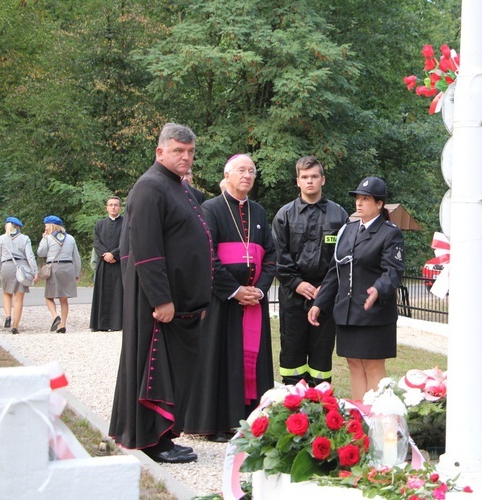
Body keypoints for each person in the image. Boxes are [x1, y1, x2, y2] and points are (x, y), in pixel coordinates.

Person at [108, 123, 214, 464]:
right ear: (160, 152)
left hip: (181, 302)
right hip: (159, 305)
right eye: (178, 151)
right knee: (155, 372)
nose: (185, 157)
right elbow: (146, 249)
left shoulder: (176, 186)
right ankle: (152, 441)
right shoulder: (149, 187)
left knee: (174, 372)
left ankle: (165, 436)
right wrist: (161, 299)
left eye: (190, 152)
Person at [193, 154, 276, 442]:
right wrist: (235, 290)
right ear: (227, 175)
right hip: (224, 301)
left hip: (254, 300)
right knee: (223, 359)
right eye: (241, 170)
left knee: (251, 359)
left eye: (252, 171)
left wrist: (260, 289)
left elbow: (271, 257)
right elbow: (207, 256)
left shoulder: (259, 212)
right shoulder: (210, 209)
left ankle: (254, 419)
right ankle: (220, 422)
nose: (247, 175)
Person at [308, 177, 405, 401]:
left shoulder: (390, 233)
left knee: (372, 365)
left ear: (380, 204)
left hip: (374, 313)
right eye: (358, 198)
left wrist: (378, 290)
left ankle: (379, 420)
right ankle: (359, 417)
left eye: (366, 199)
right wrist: (319, 303)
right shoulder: (348, 230)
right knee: (353, 364)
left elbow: (393, 271)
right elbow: (335, 270)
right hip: (348, 311)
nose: (359, 203)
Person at [272, 155, 349, 386]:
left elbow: (343, 258)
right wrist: (296, 283)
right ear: (298, 181)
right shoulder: (284, 215)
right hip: (292, 296)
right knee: (292, 354)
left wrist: (325, 289)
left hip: (326, 298)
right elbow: (277, 254)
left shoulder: (339, 215)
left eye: (314, 176)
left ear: (323, 180)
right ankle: (292, 405)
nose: (310, 181)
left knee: (321, 357)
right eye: (305, 177)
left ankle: (320, 408)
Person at [37, 215, 81, 334]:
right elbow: (76, 257)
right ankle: (62, 325)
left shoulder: (48, 238)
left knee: (49, 296)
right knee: (64, 298)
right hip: (68, 268)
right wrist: (77, 273)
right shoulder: (70, 238)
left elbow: (40, 253)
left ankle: (55, 316)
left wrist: (43, 239)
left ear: (50, 226)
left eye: (46, 226)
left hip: (54, 267)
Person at [0, 216, 38, 335]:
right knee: (18, 298)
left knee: (6, 293)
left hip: (6, 266)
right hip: (22, 267)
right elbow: (30, 256)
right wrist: (35, 271)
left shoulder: (1, 239)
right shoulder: (25, 238)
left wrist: (0, 270)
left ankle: (8, 315)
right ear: (18, 227)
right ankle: (15, 326)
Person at [89, 196, 124, 331]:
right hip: (104, 264)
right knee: (102, 293)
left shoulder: (126, 222)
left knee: (118, 293)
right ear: (107, 207)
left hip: (118, 263)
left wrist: (114, 254)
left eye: (116, 205)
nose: (113, 207)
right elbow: (96, 242)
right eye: (111, 205)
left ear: (120, 207)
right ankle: (101, 324)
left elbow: (127, 242)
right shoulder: (100, 224)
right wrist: (105, 255)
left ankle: (117, 323)